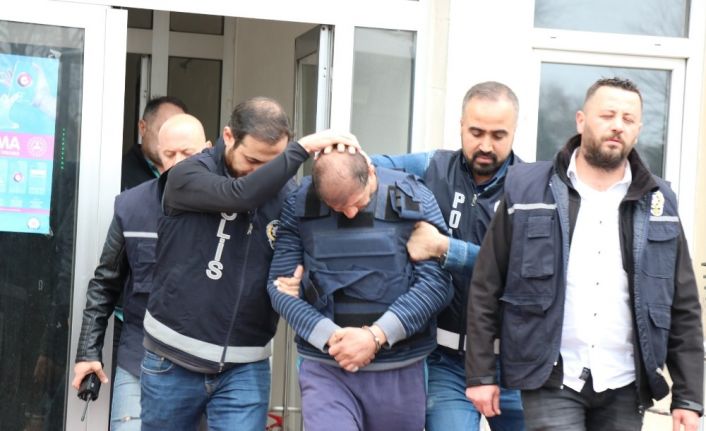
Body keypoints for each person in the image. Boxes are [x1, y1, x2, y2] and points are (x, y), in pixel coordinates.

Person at [465, 77, 704, 431]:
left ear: (637, 130)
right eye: (607, 115)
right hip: (552, 375)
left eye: (628, 119)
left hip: (625, 382)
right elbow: (487, 285)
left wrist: (688, 396)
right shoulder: (527, 188)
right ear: (581, 121)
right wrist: (481, 374)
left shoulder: (659, 201)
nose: (617, 125)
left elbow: (682, 304)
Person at [140, 97, 358, 431]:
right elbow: (240, 195)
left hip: (245, 365)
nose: (264, 173)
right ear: (228, 137)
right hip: (172, 359)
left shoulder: (287, 194)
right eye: (254, 160)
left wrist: (297, 282)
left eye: (274, 163)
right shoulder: (186, 174)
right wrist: (301, 149)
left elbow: (302, 257)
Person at [372, 81, 525, 430]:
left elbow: (520, 269)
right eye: (476, 132)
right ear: (460, 125)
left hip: (515, 364)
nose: (485, 145)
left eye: (498, 135)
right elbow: (361, 168)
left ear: (515, 131)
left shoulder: (532, 187)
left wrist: (446, 248)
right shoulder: (432, 167)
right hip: (447, 362)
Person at [267, 148, 452, 431]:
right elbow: (279, 286)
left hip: (400, 366)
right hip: (327, 365)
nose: (351, 213)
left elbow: (437, 283)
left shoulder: (413, 197)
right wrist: (332, 338)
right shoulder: (301, 202)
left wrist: (375, 336)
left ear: (371, 172)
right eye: (338, 207)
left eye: (357, 202)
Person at [72, 113, 212, 430]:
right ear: (157, 156)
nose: (179, 163)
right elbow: (104, 284)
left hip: (208, 366)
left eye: (188, 153)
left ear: (208, 150)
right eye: (169, 154)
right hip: (141, 357)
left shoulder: (230, 208)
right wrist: (88, 352)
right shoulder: (132, 206)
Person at [121, 95, 187, 191]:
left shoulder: (189, 174)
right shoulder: (118, 175)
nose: (173, 139)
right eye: (165, 130)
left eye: (178, 132)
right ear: (142, 128)